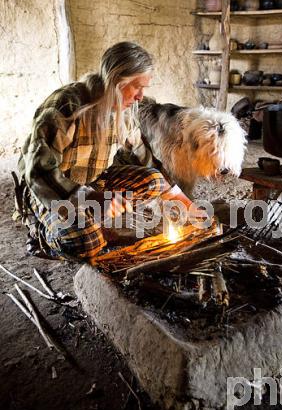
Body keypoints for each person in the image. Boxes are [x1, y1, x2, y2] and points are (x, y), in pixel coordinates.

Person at [15, 42, 197, 260]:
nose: (140, 96)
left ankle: (88, 218)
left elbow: (144, 159)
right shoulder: (67, 106)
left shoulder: (126, 112)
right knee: (86, 243)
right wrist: (91, 197)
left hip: (93, 181)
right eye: (137, 87)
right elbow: (39, 172)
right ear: (116, 80)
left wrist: (181, 200)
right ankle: (41, 234)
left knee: (156, 180)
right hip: (49, 187)